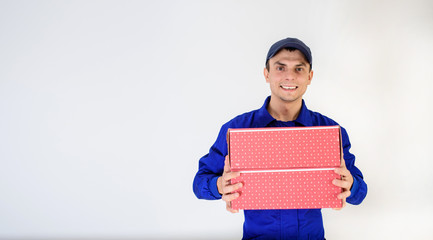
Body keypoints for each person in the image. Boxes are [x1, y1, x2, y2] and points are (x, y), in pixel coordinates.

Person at [192, 37, 367, 240]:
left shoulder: (329, 131)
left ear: (310, 76)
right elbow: (199, 183)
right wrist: (220, 186)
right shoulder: (238, 129)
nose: (289, 76)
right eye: (280, 68)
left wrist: (351, 184)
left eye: (299, 69)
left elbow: (360, 192)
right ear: (266, 74)